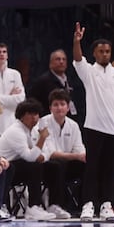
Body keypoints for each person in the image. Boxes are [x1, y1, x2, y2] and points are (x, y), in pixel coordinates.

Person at [71, 24, 114, 222]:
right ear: (95, 54)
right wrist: (77, 41)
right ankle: (88, 205)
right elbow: (78, 59)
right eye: (101, 51)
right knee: (92, 168)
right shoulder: (89, 72)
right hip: (94, 128)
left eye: (107, 51)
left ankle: (107, 205)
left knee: (109, 169)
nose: (105, 54)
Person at [41, 89, 85, 219]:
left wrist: (82, 156)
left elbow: (79, 149)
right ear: (50, 108)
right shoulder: (43, 123)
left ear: (68, 107)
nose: (59, 107)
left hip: (67, 164)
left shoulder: (74, 125)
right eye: (55, 104)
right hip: (47, 166)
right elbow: (51, 153)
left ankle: (87, 204)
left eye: (62, 104)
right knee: (57, 165)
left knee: (87, 165)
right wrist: (77, 156)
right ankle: (55, 205)